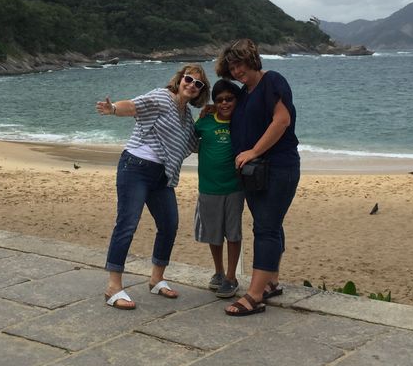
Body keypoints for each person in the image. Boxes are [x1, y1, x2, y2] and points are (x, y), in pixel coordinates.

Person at [96, 63, 210, 309]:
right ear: (179, 80)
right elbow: (135, 106)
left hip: (162, 176)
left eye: (198, 84)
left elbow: (193, 145)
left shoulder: (187, 118)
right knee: (127, 224)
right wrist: (113, 108)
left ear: (201, 92)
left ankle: (156, 279)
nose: (192, 85)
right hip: (135, 167)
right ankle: (113, 287)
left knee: (169, 225)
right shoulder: (161, 97)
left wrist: (216, 125)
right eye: (188, 79)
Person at [215, 38, 300, 316]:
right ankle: (271, 282)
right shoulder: (245, 93)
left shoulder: (272, 81)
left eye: (239, 64)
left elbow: (282, 120)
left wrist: (253, 151)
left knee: (265, 228)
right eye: (232, 67)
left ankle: (254, 295)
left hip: (278, 167)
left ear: (251, 59)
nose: (236, 71)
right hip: (253, 174)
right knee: (270, 225)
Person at [194, 79, 245, 299]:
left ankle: (232, 277)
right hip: (208, 187)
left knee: (233, 233)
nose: (225, 103)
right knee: (214, 234)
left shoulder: (242, 120)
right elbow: (189, 139)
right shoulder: (205, 121)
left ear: (237, 100)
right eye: (219, 99)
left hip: (235, 187)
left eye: (229, 99)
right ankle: (219, 272)